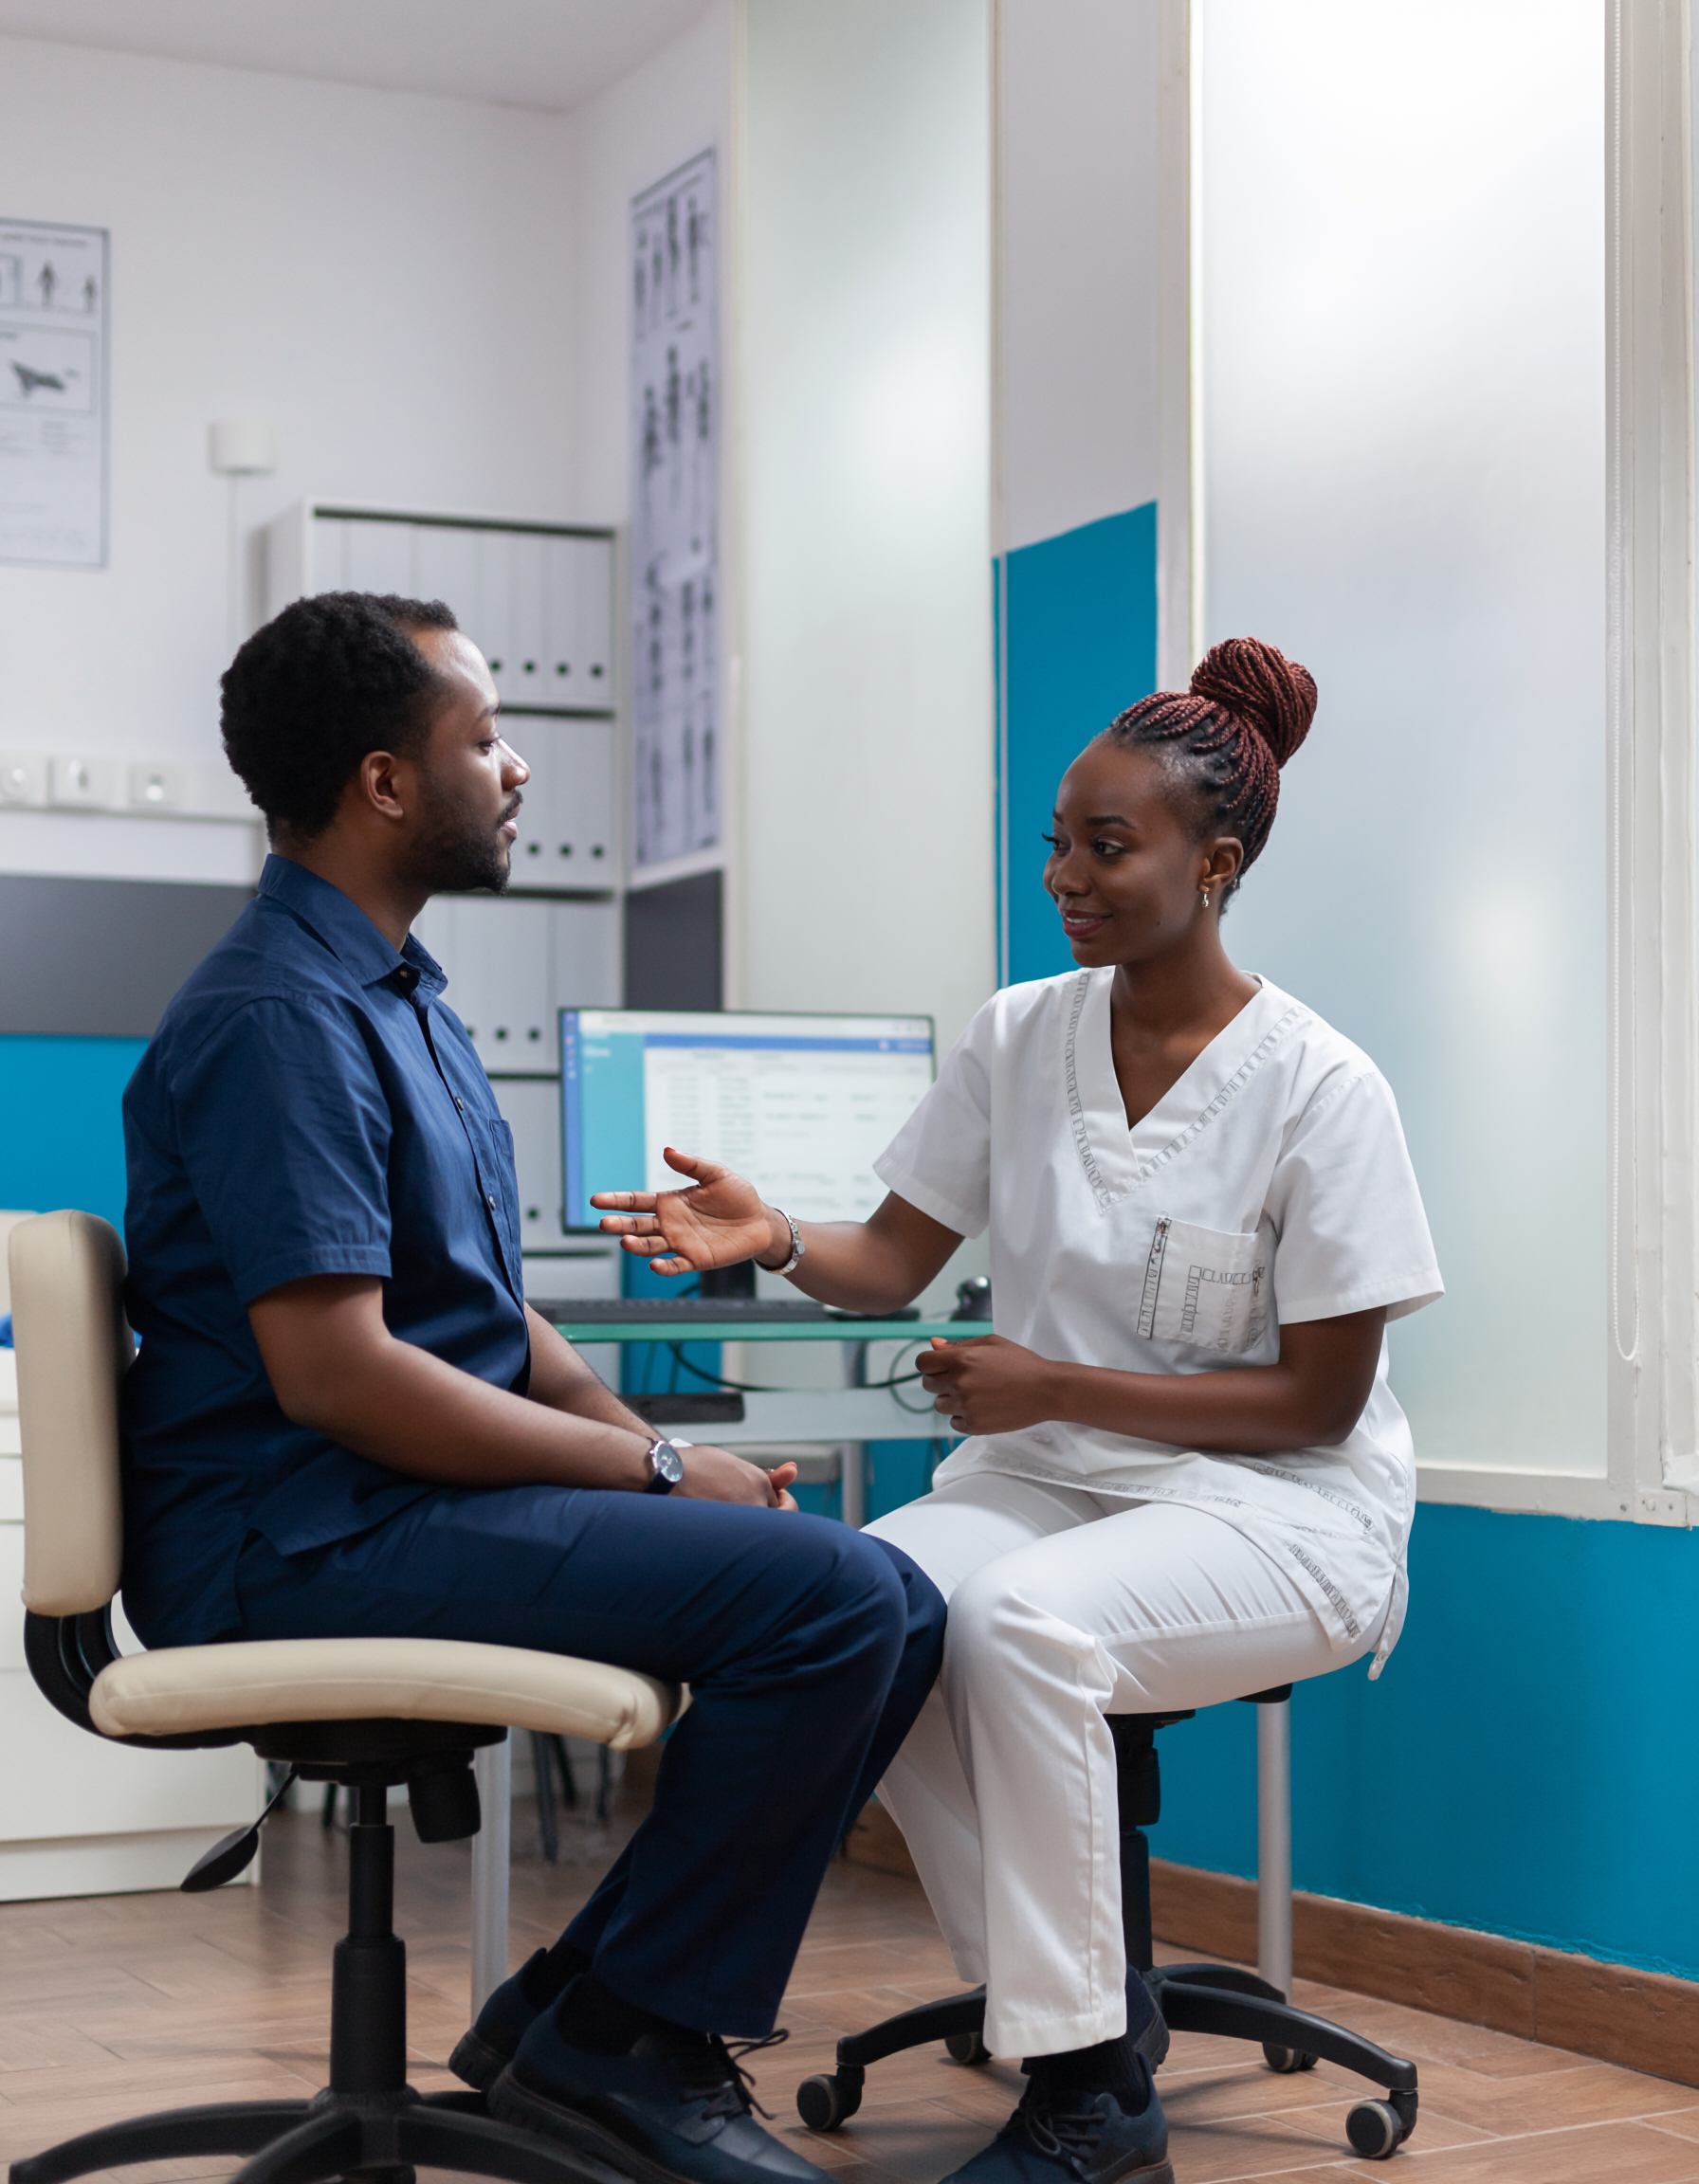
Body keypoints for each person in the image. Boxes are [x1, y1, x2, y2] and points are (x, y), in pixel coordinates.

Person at [119, 591, 945, 2184]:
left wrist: (659, 1454)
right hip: (296, 1541)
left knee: (883, 1592)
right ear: (381, 782)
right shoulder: (280, 1017)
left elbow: (502, 1333)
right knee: (836, 1606)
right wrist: (650, 1485)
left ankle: (588, 2019)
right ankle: (622, 2044)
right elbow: (342, 1376)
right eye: (484, 739)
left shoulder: (398, 993)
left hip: (381, 1504)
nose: (513, 771)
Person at [593, 638, 1443, 2184]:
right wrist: (776, 1235)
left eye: (1106, 846)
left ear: (1218, 861)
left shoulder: (1322, 1089)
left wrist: (1050, 1381)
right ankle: (1087, 2039)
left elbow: (1320, 1400)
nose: (1064, 872)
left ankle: (1085, 2100)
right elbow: (893, 1257)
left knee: (1023, 1629)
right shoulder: (1019, 1033)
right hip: (1050, 1478)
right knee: (867, 1610)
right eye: (1058, 839)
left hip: (1282, 1510)